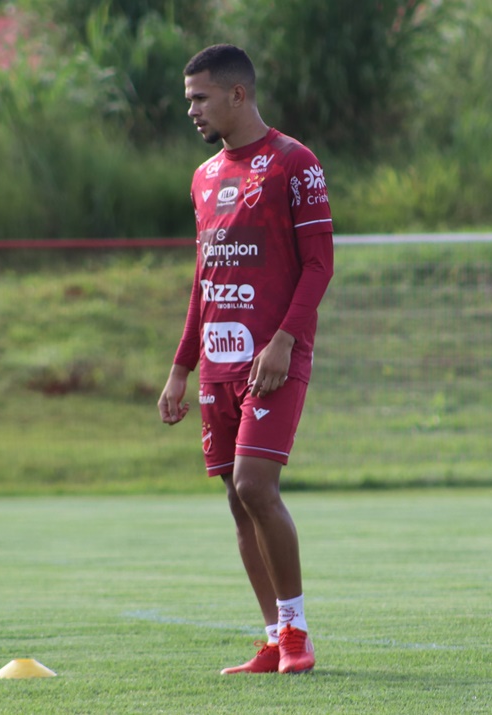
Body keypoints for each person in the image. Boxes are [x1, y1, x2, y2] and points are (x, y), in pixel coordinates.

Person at [157, 44, 334, 675]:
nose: (192, 111)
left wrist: (284, 339)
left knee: (256, 485)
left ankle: (297, 634)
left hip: (273, 358)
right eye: (188, 100)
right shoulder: (203, 178)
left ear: (237, 94)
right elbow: (204, 279)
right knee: (237, 501)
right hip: (218, 362)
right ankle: (273, 637)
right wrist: (181, 367)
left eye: (200, 98)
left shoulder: (294, 163)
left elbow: (319, 264)